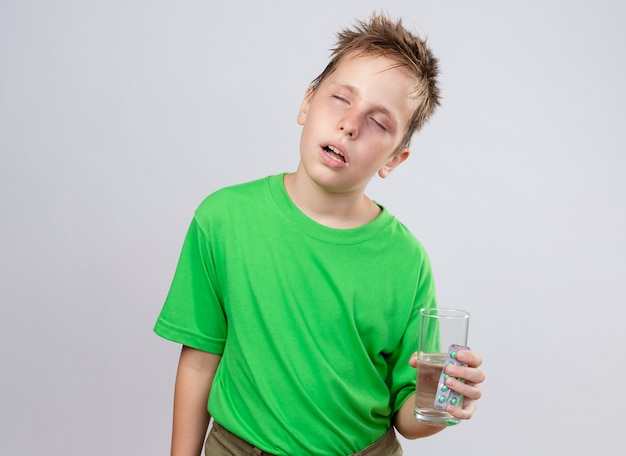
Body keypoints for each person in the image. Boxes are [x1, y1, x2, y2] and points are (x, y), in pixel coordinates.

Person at [154, 13, 485, 456]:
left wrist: (440, 402)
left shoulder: (406, 260)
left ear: (394, 159)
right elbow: (198, 361)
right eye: (340, 99)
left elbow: (408, 414)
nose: (350, 124)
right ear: (307, 103)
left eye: (379, 122)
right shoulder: (222, 220)